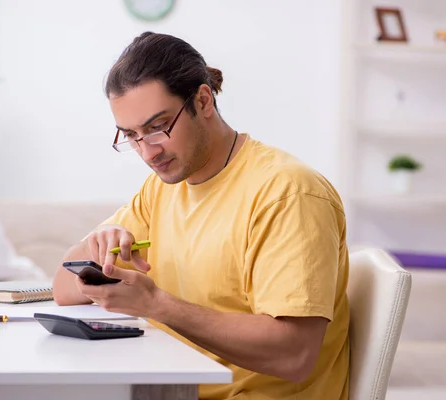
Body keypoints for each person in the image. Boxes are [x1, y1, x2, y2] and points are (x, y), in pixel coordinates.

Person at [52, 31, 350, 400]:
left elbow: (295, 355)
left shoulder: (287, 193)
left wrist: (156, 305)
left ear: (203, 100)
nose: (147, 152)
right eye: (131, 135)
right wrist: (98, 247)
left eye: (158, 127)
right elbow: (62, 289)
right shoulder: (163, 187)